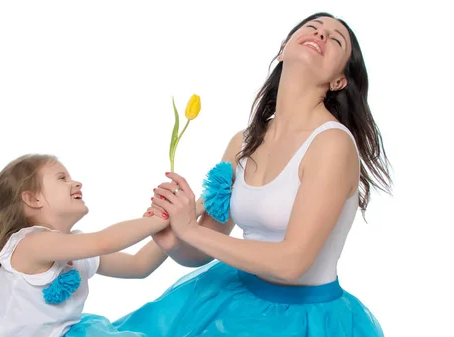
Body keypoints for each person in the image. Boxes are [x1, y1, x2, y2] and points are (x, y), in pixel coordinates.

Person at [76, 12, 390, 337]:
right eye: (312, 27)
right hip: (233, 299)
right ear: (283, 50)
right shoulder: (243, 142)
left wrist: (191, 230)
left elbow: (293, 263)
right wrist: (174, 239)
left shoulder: (333, 144)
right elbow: (203, 250)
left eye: (336, 39)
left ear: (339, 81)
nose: (321, 34)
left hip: (305, 318)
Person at [0, 154, 204, 337]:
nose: (76, 182)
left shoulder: (75, 249)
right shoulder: (29, 244)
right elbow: (104, 242)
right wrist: (157, 220)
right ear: (33, 199)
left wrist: (183, 218)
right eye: (62, 178)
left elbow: (138, 265)